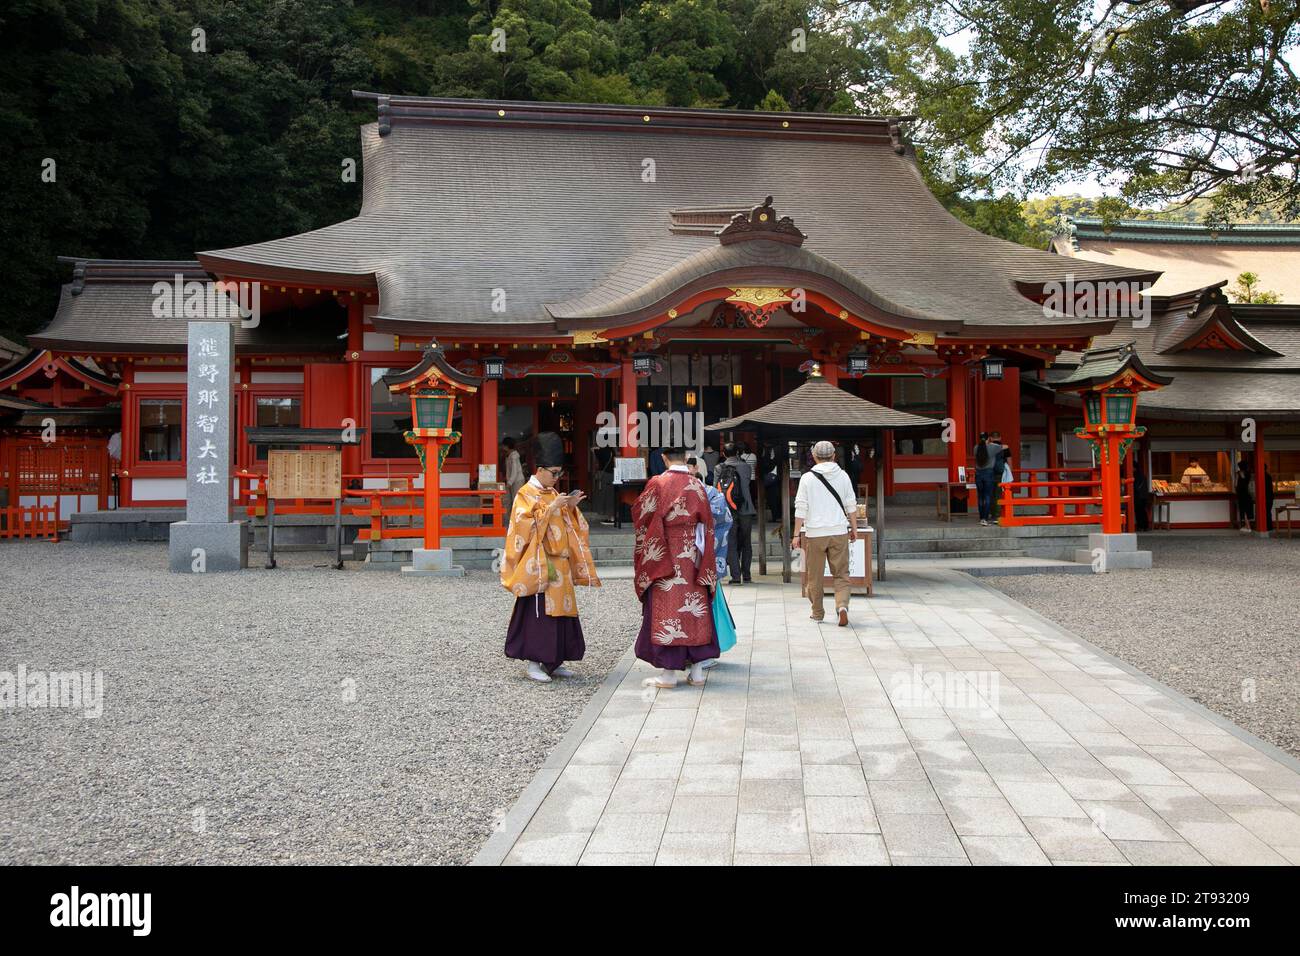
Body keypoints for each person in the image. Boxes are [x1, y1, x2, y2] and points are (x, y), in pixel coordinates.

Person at [500, 453, 600, 683]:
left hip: (559, 563)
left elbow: (565, 523)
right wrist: (551, 509)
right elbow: (523, 527)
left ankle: (555, 661)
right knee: (538, 612)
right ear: (540, 469)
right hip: (540, 562)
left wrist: (570, 508)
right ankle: (535, 663)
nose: (557, 477)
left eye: (559, 473)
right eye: (553, 473)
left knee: (562, 611)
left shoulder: (553, 493)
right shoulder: (525, 493)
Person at [632, 447, 718, 689]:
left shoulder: (658, 483)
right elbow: (708, 522)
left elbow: (643, 516)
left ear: (664, 458)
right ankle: (698, 672)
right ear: (687, 457)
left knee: (668, 609)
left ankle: (669, 675)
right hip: (693, 554)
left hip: (666, 552)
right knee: (696, 607)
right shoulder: (697, 484)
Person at [793, 440, 857, 626]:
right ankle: (842, 606)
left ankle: (818, 612)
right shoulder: (843, 476)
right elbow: (851, 505)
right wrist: (853, 529)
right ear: (834, 455)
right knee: (841, 574)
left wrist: (797, 534)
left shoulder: (807, 478)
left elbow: (801, 508)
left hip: (815, 534)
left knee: (814, 576)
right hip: (838, 531)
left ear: (814, 456)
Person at [716, 441, 756, 584]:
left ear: (724, 453)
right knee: (746, 542)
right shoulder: (746, 467)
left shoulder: (719, 468)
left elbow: (717, 490)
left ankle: (735, 576)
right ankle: (747, 575)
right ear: (738, 453)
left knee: (731, 542)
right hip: (746, 507)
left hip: (728, 509)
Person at [973, 431, 1004, 526]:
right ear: (988, 438)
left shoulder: (976, 448)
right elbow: (1005, 446)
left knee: (980, 496)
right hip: (988, 473)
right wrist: (991, 443)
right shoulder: (992, 447)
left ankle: (981, 517)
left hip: (978, 474)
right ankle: (985, 518)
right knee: (987, 496)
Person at [502, 437, 526, 506]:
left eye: (503, 445)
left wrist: (509, 482)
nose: (502, 447)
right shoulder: (509, 455)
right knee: (512, 500)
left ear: (507, 446)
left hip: (517, 481)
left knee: (516, 500)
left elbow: (514, 471)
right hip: (513, 481)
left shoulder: (514, 456)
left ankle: (516, 516)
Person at [1235, 460, 1254, 532]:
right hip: (1247, 493)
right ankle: (1246, 525)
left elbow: (1236, 484)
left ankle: (1248, 527)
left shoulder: (1238, 473)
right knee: (1247, 509)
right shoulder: (1249, 474)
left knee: (1243, 510)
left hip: (1241, 493)